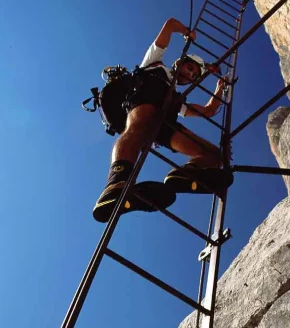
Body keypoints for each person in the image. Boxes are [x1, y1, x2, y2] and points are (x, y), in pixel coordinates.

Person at [93, 18, 233, 223]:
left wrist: (219, 89)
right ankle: (116, 184)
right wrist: (187, 31)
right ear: (180, 62)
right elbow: (168, 25)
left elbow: (208, 111)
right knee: (138, 127)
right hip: (143, 102)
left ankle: (186, 174)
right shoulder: (154, 62)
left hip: (163, 123)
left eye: (194, 75)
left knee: (215, 156)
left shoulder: (176, 98)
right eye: (190, 68)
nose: (190, 74)